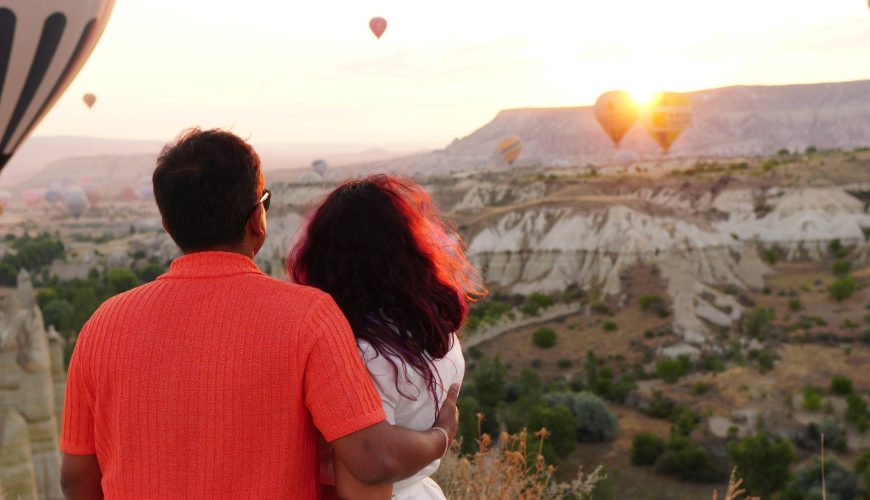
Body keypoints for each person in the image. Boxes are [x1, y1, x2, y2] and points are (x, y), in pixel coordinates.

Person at [59, 129, 459, 500]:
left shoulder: (102, 325)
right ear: (257, 219)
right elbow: (372, 456)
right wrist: (441, 434)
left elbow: (76, 478)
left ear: (167, 224)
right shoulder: (310, 317)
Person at [288, 175, 484, 499]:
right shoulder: (439, 333)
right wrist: (441, 437)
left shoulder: (363, 354)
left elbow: (366, 484)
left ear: (322, 259)